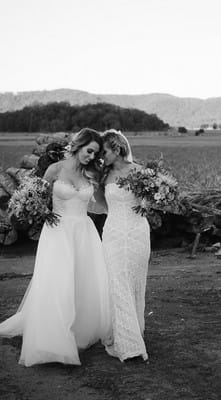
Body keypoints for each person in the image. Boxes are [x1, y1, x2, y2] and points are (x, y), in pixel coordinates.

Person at [0, 128, 112, 367]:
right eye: (89, 151)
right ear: (78, 146)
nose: (92, 157)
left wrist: (124, 204)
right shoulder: (54, 170)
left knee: (83, 280)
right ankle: (53, 339)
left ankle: (80, 331)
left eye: (95, 153)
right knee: (57, 281)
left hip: (84, 232)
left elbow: (102, 205)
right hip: (58, 233)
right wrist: (42, 212)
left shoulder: (92, 173)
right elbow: (33, 196)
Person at [97, 129, 150, 362]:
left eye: (104, 151)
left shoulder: (139, 172)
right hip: (113, 232)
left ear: (117, 149)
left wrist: (149, 203)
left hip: (138, 231)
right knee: (116, 280)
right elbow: (101, 203)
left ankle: (133, 330)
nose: (102, 156)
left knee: (134, 280)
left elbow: (151, 200)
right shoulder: (102, 175)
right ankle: (127, 342)